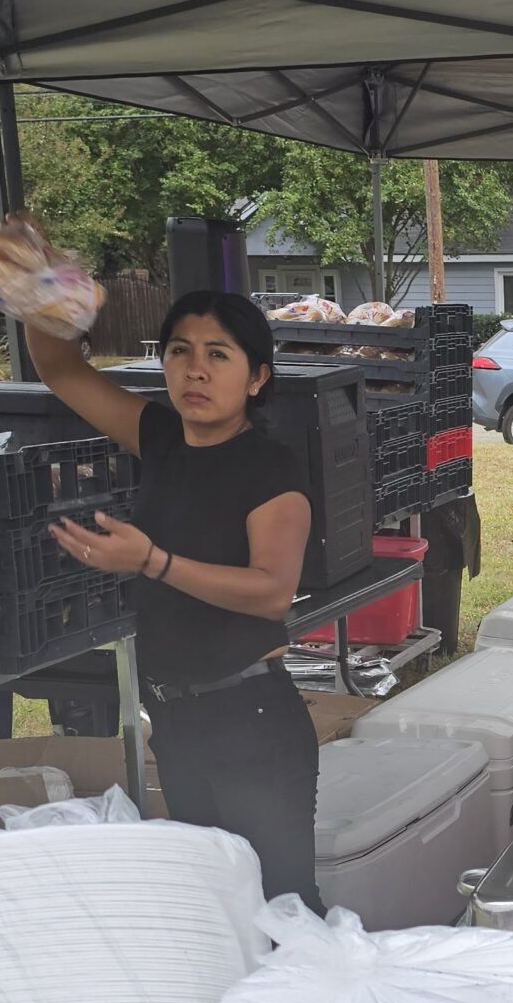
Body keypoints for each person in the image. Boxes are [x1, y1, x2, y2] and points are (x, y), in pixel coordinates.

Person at [26, 289, 324, 908]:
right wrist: (37, 290)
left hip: (252, 721)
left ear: (257, 378)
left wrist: (152, 562)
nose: (195, 370)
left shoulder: (271, 468)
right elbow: (59, 368)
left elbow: (272, 592)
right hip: (176, 719)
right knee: (217, 903)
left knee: (284, 906)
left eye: (218, 354)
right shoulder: (161, 437)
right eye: (180, 352)